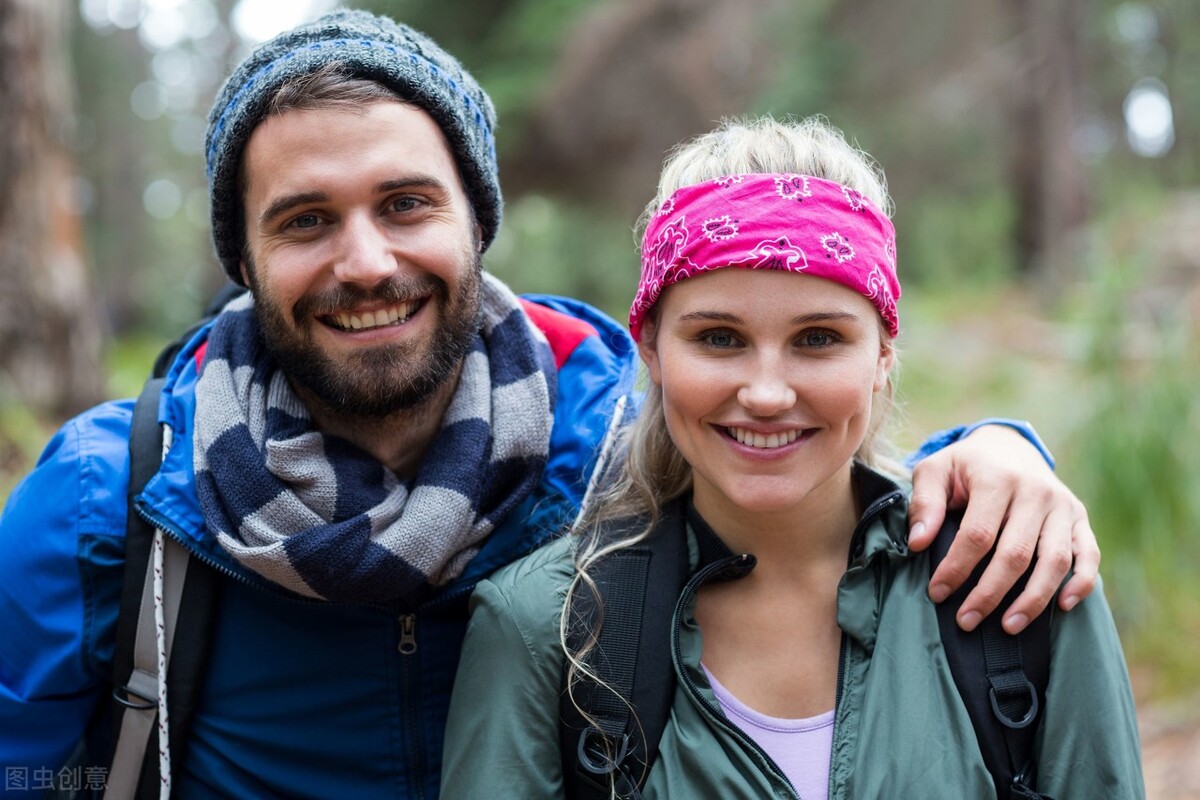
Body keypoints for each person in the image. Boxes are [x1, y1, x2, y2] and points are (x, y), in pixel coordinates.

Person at [0, 10, 1097, 800]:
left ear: (476, 222)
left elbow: (783, 433)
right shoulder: (113, 501)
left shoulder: (608, 425)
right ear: (242, 257)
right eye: (304, 222)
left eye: (407, 203)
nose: (366, 259)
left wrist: (993, 452)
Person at [440, 116, 1144, 799]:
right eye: (718, 338)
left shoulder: (1022, 577)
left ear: (882, 358)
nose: (768, 393)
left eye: (818, 339)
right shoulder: (546, 629)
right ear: (651, 351)